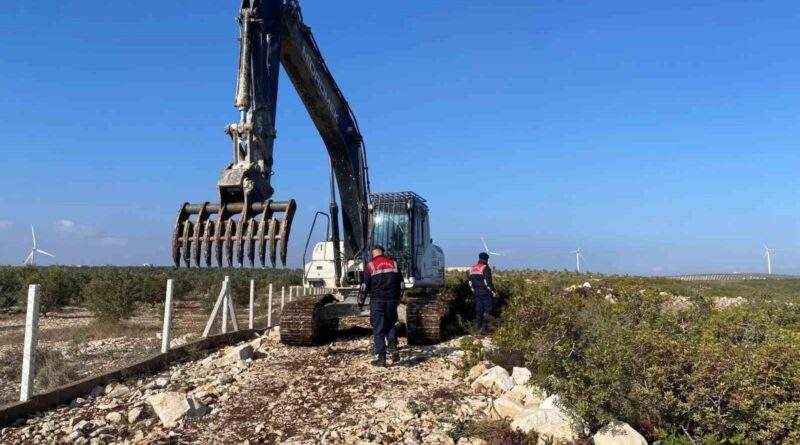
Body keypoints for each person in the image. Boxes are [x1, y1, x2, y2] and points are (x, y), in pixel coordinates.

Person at [358, 245, 403, 367]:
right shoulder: (394, 264)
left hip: (377, 301)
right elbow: (402, 284)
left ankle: (382, 358)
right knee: (390, 324)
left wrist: (360, 303)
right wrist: (399, 298)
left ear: (373, 253)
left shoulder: (370, 265)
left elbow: (364, 287)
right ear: (383, 252)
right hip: (391, 301)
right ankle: (393, 346)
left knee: (378, 329)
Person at [469, 252, 498, 335]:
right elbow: (487, 282)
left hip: (476, 292)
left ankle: (478, 328)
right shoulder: (485, 268)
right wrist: (493, 291)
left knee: (479, 310)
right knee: (489, 309)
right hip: (485, 292)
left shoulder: (473, 268)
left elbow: (470, 282)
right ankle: (485, 328)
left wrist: (473, 291)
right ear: (486, 259)